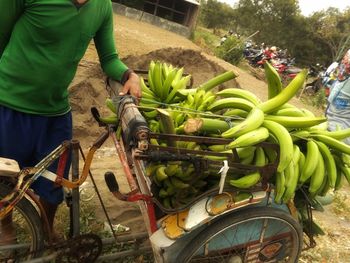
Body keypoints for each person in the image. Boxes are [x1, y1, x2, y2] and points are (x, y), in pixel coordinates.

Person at [0, 0, 141, 244]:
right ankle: (5, 227)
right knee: (5, 178)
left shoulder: (101, 7)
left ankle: (46, 228)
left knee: (55, 181)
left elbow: (108, 58)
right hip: (10, 105)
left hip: (55, 113)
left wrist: (129, 75)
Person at [325, 49, 350, 144]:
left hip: (342, 135)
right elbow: (330, 96)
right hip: (327, 124)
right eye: (344, 59)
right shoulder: (341, 77)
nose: (345, 63)